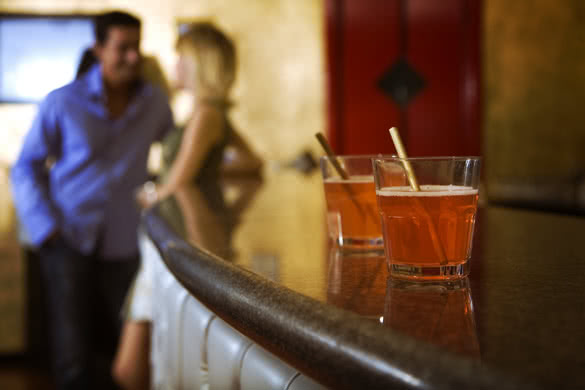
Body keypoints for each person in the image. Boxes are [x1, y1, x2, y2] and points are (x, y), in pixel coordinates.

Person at [10, 11, 174, 390]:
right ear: (98, 49)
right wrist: (45, 229)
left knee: (132, 351)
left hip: (125, 243)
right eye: (122, 48)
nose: (133, 57)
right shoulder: (62, 102)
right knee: (72, 355)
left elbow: (178, 151)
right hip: (67, 239)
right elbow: (26, 168)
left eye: (137, 47)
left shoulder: (155, 104)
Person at [112, 22, 262, 390]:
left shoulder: (207, 114)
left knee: (129, 369)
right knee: (136, 363)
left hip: (177, 239)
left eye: (181, 58)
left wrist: (151, 192)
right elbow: (251, 161)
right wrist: (212, 175)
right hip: (173, 234)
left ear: (199, 63)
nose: (175, 66)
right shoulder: (209, 113)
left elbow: (177, 181)